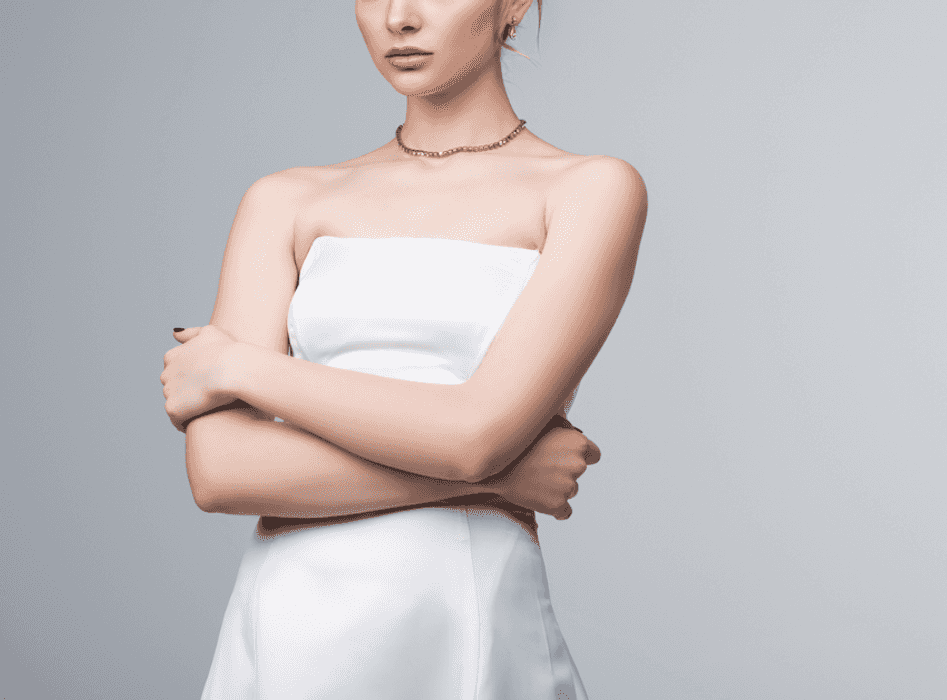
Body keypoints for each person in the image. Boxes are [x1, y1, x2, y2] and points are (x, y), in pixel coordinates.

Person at [158, 0, 647, 696]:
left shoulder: (589, 189)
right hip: (294, 620)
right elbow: (224, 473)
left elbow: (474, 435)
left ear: (512, 4)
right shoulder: (285, 199)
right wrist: (500, 478)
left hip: (462, 607)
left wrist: (241, 367)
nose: (399, 17)